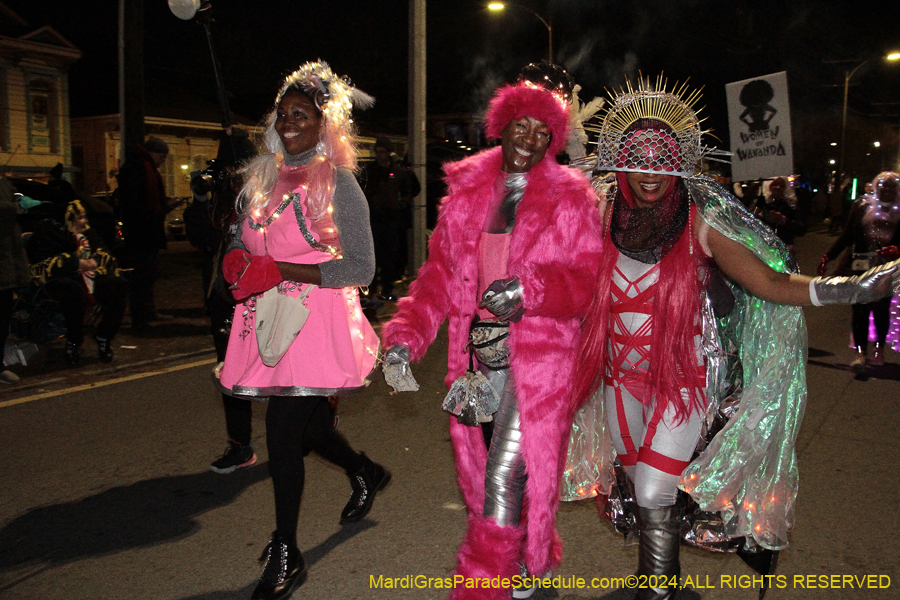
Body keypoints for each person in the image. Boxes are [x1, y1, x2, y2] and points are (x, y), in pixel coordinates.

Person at [565, 78, 900, 600]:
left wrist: (849, 289)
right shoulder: (601, 214)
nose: (651, 171)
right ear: (621, 160)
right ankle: (661, 577)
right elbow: (557, 267)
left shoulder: (701, 220)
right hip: (619, 379)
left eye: (663, 157)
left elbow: (769, 282)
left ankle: (657, 592)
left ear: (680, 160)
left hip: (684, 378)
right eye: (638, 157)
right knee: (635, 485)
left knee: (655, 486)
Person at [381, 77, 603, 599]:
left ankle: (484, 586)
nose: (528, 139)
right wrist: (405, 337)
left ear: (554, 141)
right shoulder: (465, 193)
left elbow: (587, 282)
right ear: (500, 129)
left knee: (505, 474)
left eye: (541, 131)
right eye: (519, 126)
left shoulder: (572, 197)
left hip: (541, 364)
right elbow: (438, 276)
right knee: (486, 477)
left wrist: (533, 289)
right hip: (476, 364)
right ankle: (526, 553)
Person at [216, 61, 388, 600]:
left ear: (324, 124)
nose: (290, 123)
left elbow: (361, 269)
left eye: (302, 115)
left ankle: (286, 551)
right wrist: (236, 257)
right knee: (310, 431)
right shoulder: (260, 178)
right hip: (265, 318)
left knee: (283, 435)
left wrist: (281, 270)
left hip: (316, 321)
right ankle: (365, 470)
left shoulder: (340, 184)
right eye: (284, 114)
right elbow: (244, 240)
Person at [184, 121, 261, 474]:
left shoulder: (267, 196)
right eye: (225, 172)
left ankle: (312, 424)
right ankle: (240, 446)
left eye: (236, 171)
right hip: (223, 298)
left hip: (263, 297)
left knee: (280, 367)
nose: (230, 177)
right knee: (231, 374)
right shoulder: (219, 203)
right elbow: (199, 238)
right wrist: (200, 199)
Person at [26, 199, 127, 365]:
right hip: (60, 282)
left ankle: (104, 335)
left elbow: (103, 252)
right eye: (80, 218)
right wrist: (73, 263)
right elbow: (42, 263)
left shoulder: (89, 234)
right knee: (73, 292)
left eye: (85, 217)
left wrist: (96, 261)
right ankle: (74, 341)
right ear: (69, 218)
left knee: (117, 285)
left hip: (90, 278)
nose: (85, 221)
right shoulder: (50, 232)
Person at [819, 171, 900, 372]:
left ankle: (879, 348)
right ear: (876, 187)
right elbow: (847, 235)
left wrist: (897, 249)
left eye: (892, 187)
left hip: (886, 268)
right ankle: (860, 353)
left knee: (881, 310)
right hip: (860, 266)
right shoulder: (861, 206)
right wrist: (829, 256)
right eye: (883, 186)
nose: (887, 191)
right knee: (860, 309)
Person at [116, 136, 176, 328]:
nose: (162, 162)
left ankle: (146, 311)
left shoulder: (142, 168)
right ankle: (140, 315)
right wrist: (160, 208)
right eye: (162, 157)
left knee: (147, 274)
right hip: (141, 232)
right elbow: (137, 203)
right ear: (154, 153)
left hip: (144, 231)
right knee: (141, 275)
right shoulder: (138, 169)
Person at [362, 136, 417, 301]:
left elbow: (412, 189)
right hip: (374, 219)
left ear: (388, 152)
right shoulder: (370, 170)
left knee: (390, 256)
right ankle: (371, 289)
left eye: (382, 152)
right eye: (377, 152)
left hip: (391, 220)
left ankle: (388, 289)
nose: (379, 155)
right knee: (374, 255)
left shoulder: (398, 171)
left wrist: (401, 203)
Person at [0, 177, 31, 384]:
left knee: (2, 318)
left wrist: (22, 200)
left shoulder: (3, 182)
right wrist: (13, 207)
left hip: (6, 262)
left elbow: (15, 196)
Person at [751, 176, 805, 251]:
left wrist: (784, 220)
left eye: (782, 186)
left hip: (785, 247)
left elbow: (801, 229)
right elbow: (751, 219)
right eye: (774, 184)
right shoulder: (763, 202)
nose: (778, 187)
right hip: (765, 247)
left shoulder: (791, 204)